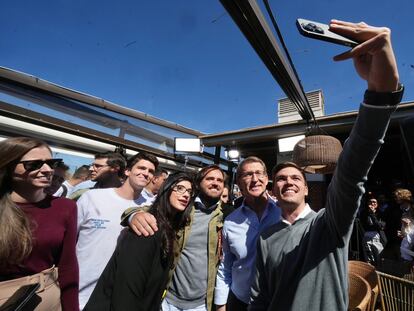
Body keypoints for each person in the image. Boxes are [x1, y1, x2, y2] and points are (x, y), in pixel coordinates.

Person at [250, 20, 404, 310]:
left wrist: (380, 95)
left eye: (295, 177)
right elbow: (260, 297)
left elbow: (351, 172)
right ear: (273, 189)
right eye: (281, 178)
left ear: (307, 188)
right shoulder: (266, 237)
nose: (288, 181)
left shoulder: (328, 224)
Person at [122, 164, 234, 311]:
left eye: (219, 180)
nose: (215, 182)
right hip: (168, 299)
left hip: (201, 304)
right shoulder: (184, 207)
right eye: (210, 178)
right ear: (198, 184)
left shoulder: (228, 215)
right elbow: (156, 209)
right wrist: (133, 215)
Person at [84, 172, 195, 311]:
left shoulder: (170, 227)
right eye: (179, 188)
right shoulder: (147, 227)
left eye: (190, 191)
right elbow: (127, 290)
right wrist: (133, 215)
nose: (186, 194)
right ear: (166, 189)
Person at [0, 137, 78, 310]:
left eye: (51, 163)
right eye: (33, 164)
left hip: (45, 298)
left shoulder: (65, 207)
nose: (47, 170)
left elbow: (68, 266)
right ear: (8, 166)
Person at [76, 152, 158, 309]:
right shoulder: (92, 197)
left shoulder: (151, 206)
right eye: (141, 168)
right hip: (81, 291)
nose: (146, 173)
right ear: (127, 171)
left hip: (116, 295)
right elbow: (70, 238)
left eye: (151, 171)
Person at [214, 157, 281, 311]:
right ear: (238, 182)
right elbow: (225, 267)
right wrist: (220, 305)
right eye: (248, 174)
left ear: (266, 178)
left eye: (259, 173)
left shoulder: (283, 212)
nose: (255, 179)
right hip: (240, 301)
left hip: (277, 301)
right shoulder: (230, 222)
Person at [360, 196, 386, 265]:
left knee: (379, 257)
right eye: (370, 202)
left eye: (374, 202)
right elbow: (366, 226)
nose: (372, 203)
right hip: (367, 237)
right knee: (369, 259)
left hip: (378, 237)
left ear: (377, 204)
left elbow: (379, 226)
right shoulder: (364, 213)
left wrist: (372, 214)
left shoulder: (381, 214)